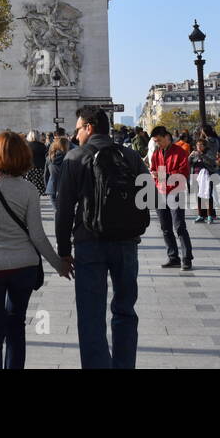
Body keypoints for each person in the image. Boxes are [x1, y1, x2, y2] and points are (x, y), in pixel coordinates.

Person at [0, 130, 70, 369]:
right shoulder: (28, 190)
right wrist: (60, 265)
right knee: (16, 327)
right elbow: (37, 235)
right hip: (23, 267)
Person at [55, 106, 146, 368]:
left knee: (91, 316)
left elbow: (63, 211)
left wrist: (63, 251)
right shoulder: (130, 156)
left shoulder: (75, 158)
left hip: (89, 243)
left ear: (89, 128)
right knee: (125, 311)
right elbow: (150, 198)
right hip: (126, 244)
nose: (76, 135)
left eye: (78, 129)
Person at [149, 126, 193, 269]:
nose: (158, 144)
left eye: (159, 140)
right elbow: (154, 169)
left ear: (167, 137)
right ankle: (173, 256)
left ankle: (187, 258)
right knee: (165, 227)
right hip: (160, 192)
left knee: (179, 226)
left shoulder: (180, 152)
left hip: (176, 191)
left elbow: (183, 173)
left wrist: (163, 176)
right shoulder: (156, 153)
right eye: (155, 141)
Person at [189, 138, 217, 224]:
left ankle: (210, 215)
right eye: (197, 145)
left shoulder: (209, 152)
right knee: (199, 195)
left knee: (207, 195)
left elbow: (212, 162)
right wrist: (190, 156)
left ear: (205, 146)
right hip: (197, 176)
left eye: (201, 145)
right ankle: (201, 215)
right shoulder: (195, 153)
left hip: (207, 175)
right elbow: (189, 163)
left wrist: (201, 155)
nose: (199, 147)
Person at [46, 134, 69, 211]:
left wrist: (47, 186)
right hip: (65, 186)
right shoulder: (68, 157)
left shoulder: (49, 158)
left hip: (52, 186)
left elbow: (46, 174)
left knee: (56, 211)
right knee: (65, 210)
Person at [24, 130, 47, 197]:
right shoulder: (42, 146)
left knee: (29, 187)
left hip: (29, 169)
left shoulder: (26, 146)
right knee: (39, 187)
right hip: (40, 169)